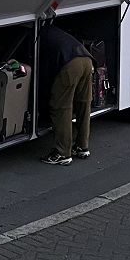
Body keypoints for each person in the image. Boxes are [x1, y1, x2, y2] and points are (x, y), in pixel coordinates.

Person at [38, 24, 93, 166]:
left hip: (68, 64)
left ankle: (62, 153)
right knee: (83, 103)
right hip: (86, 58)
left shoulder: (35, 35)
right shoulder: (51, 30)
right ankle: (82, 146)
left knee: (61, 107)